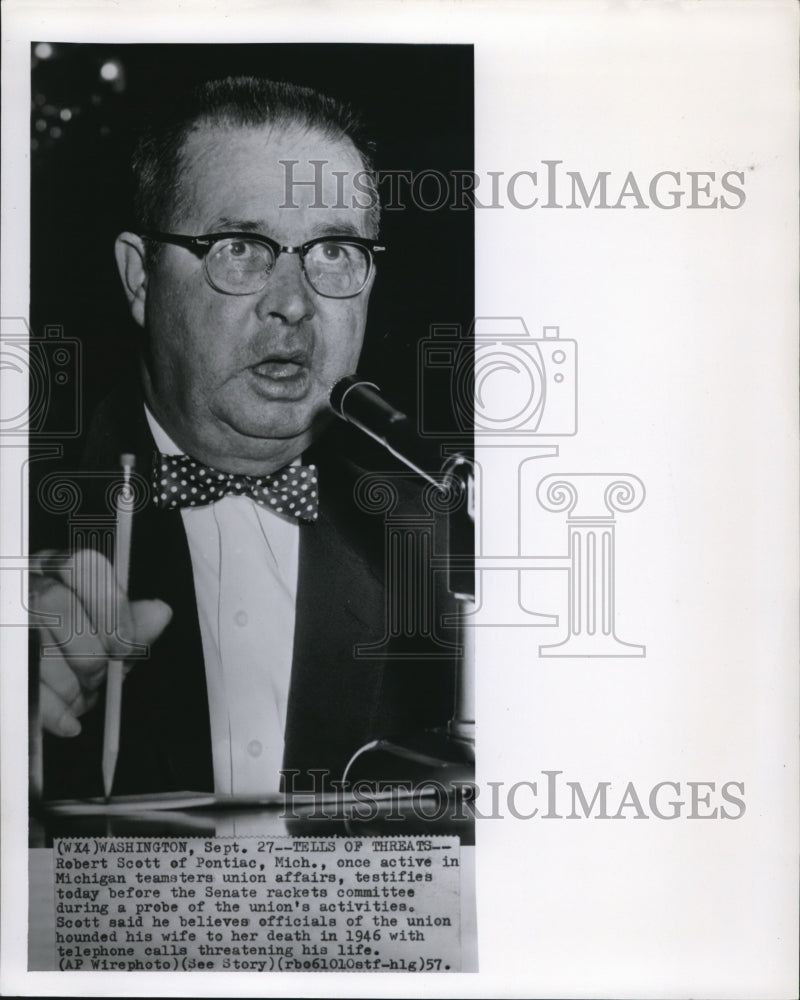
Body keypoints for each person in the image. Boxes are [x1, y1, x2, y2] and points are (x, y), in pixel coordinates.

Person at [30, 76, 458, 800]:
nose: (293, 303)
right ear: (141, 278)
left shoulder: (447, 544)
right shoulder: (25, 515)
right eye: (240, 246)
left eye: (332, 253)